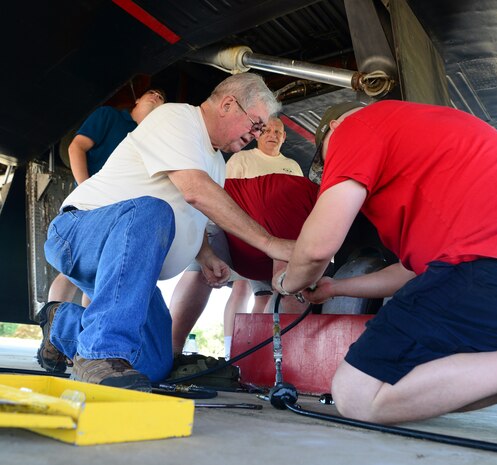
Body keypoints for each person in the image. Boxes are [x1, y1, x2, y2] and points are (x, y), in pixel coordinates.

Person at [273, 100, 497, 444]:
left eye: (325, 159)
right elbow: (411, 271)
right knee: (424, 391)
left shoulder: (356, 129)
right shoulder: (419, 140)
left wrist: (288, 281)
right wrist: (336, 287)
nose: (329, 166)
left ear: (333, 126)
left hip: (491, 269)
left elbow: (318, 246)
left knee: (358, 395)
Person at [37, 73, 292, 391]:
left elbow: (192, 212)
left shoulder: (216, 163)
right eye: (255, 125)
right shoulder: (177, 118)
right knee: (153, 209)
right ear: (229, 104)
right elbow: (193, 192)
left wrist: (207, 254)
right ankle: (99, 352)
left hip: (129, 269)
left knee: (153, 363)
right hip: (78, 234)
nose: (255, 136)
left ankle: (61, 322)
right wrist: (270, 244)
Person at [169, 173, 318, 355]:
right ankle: (171, 350)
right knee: (205, 270)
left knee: (279, 289)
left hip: (258, 247)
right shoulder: (298, 200)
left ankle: (268, 358)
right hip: (219, 216)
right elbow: (289, 286)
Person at [48, 88, 167, 307]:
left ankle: (87, 335)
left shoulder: (153, 141)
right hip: (90, 206)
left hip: (121, 215)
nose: (157, 97)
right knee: (71, 268)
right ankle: (50, 334)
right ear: (137, 99)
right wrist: (88, 188)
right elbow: (77, 147)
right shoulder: (108, 116)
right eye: (151, 92)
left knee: (100, 274)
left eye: (162, 97)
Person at [219, 116, 304, 356]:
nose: (272, 134)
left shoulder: (293, 166)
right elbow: (226, 196)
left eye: (278, 131)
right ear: (257, 134)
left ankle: (261, 350)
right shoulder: (242, 158)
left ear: (284, 137)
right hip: (246, 235)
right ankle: (230, 350)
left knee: (272, 292)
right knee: (240, 288)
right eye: (266, 130)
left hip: (280, 239)